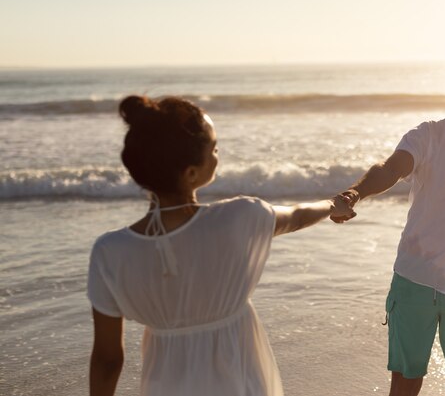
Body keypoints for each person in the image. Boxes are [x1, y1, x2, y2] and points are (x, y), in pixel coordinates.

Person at [87, 95, 354, 396]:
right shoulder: (239, 217)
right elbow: (296, 216)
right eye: (213, 148)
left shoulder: (110, 252)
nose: (218, 154)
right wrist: (334, 205)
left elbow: (107, 360)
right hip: (238, 379)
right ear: (190, 173)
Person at [332, 49, 445, 396]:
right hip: (417, 280)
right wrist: (355, 193)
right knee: (405, 386)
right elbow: (390, 168)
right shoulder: (429, 135)